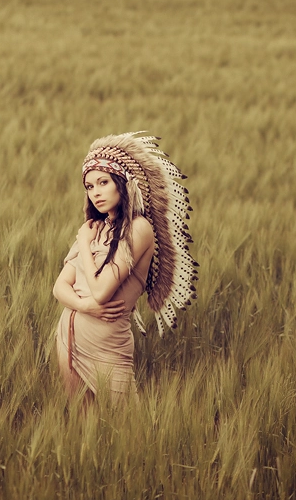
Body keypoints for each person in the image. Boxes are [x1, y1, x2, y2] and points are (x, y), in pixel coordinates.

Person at [54, 132, 198, 401]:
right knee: (80, 430)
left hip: (106, 345)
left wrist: (84, 243)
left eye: (103, 182)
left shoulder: (139, 229)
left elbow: (101, 293)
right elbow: (59, 287)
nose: (95, 192)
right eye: (89, 186)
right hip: (69, 338)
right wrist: (84, 307)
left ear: (123, 183)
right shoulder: (94, 227)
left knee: (123, 426)